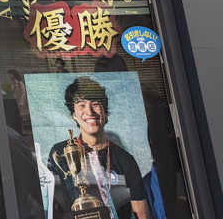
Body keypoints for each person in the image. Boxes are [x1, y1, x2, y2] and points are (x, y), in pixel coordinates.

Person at [47, 77, 150, 219]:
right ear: (73, 115)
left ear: (105, 113)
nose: (89, 112)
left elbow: (141, 213)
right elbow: (51, 206)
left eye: (95, 104)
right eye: (82, 105)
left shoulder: (125, 160)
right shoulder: (61, 153)